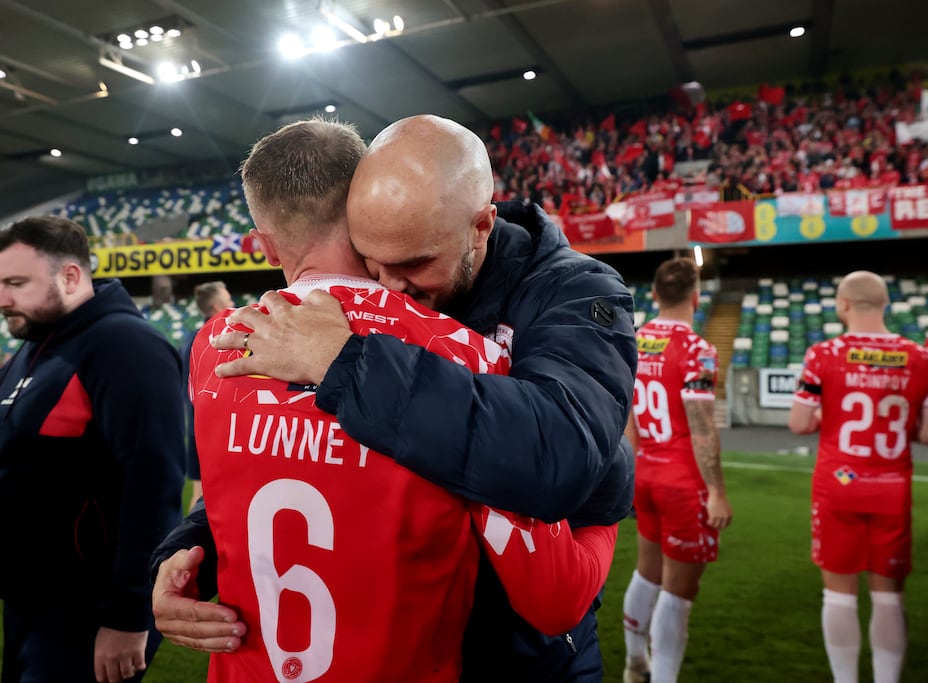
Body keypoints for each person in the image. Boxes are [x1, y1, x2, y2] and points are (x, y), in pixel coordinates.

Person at [151, 114, 638, 681]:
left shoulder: (575, 291)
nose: (388, 289)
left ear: (482, 225)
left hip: (524, 659)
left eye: (412, 264)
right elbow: (287, 467)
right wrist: (189, 550)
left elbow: (563, 455)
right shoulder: (347, 323)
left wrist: (346, 363)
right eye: (370, 259)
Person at [0, 216, 186, 683]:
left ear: (71, 276)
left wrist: (127, 617)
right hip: (27, 608)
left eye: (15, 283)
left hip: (86, 613)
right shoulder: (33, 346)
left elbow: (154, 489)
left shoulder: (127, 348)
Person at [789, 270, 928, 683]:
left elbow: (798, 423)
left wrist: (824, 416)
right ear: (885, 304)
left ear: (844, 305)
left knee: (839, 594)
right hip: (891, 487)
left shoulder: (823, 354)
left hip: (839, 485)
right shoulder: (919, 356)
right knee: (889, 597)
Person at [621, 257, 732, 683]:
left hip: (644, 473)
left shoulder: (634, 338)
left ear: (653, 295)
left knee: (647, 573)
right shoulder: (697, 350)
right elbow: (702, 425)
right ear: (695, 297)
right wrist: (717, 490)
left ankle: (635, 665)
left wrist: (635, 466)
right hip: (683, 482)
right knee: (679, 592)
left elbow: (628, 413)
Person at [181, 280, 235, 508]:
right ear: (216, 306)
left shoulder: (192, 338)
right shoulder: (226, 338)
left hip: (196, 427)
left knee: (200, 492)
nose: (233, 302)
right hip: (221, 429)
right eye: (228, 298)